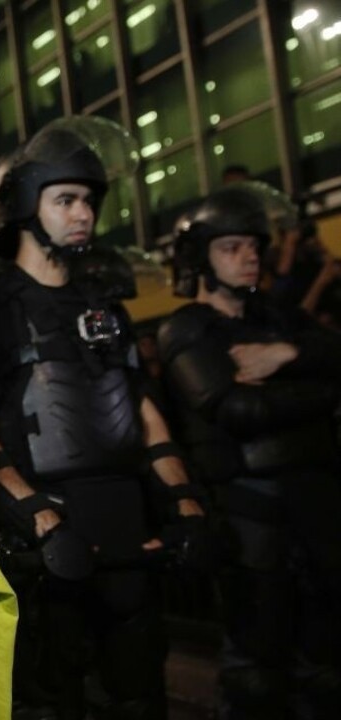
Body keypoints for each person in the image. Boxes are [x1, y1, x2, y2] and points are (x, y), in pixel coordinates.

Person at [0, 118, 204, 720]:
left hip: (126, 526)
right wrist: (37, 518)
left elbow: (142, 406)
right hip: (44, 537)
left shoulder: (104, 301)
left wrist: (185, 503)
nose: (84, 214)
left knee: (140, 694)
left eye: (90, 201)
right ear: (25, 203)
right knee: (52, 698)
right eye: (66, 199)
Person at [156, 185, 341, 719]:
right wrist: (321, 390)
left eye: (254, 246)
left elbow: (334, 354)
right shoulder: (186, 328)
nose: (249, 256)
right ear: (202, 257)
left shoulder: (281, 321)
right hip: (247, 508)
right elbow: (237, 410)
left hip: (314, 498)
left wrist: (285, 355)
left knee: (325, 663)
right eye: (231, 247)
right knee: (256, 671)